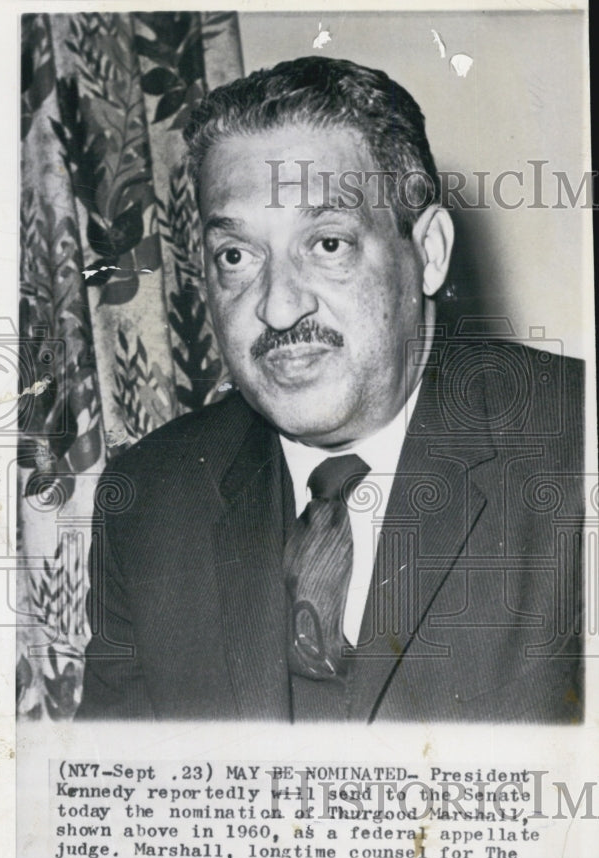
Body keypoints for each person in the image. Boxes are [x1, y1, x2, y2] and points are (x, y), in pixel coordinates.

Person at [76, 56, 584, 723]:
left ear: (427, 251)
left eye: (328, 244)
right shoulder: (149, 499)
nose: (278, 308)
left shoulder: (573, 443)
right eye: (235, 256)